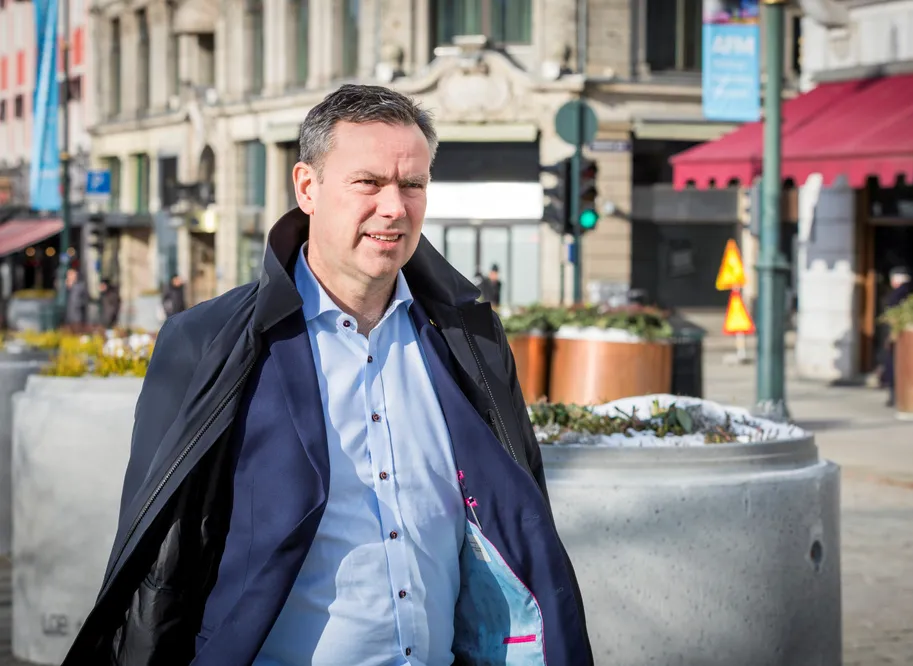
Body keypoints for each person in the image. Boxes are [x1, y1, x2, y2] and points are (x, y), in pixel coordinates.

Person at [63, 84, 592, 666]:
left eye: (413, 185)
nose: (394, 208)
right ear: (307, 188)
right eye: (368, 182)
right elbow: (159, 561)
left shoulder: (473, 340)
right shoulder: (206, 341)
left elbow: (520, 531)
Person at [881, 266, 913, 408]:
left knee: (894, 364)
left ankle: (894, 395)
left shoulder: (898, 294)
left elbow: (893, 316)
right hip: (908, 336)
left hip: (898, 334)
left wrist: (891, 335)